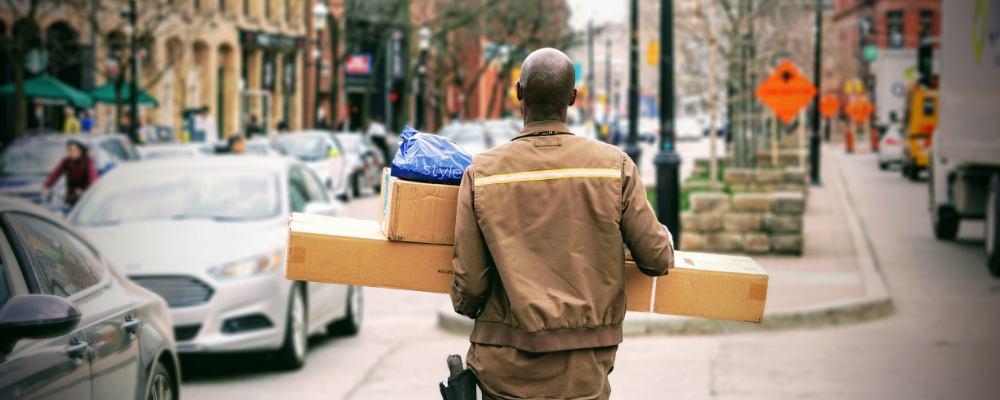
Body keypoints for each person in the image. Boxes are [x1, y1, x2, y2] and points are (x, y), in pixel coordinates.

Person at [450, 48, 674, 400]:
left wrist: (469, 307)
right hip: (583, 371)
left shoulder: (481, 174)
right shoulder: (614, 167)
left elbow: (471, 286)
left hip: (502, 369)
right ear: (572, 97)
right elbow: (656, 258)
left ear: (518, 94)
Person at [41, 139, 98, 208]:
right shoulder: (66, 161)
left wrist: (91, 191)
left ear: (80, 151)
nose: (71, 153)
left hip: (85, 195)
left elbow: (92, 177)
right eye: (69, 151)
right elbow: (56, 173)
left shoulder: (87, 161)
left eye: (74, 151)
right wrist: (47, 185)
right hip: (71, 194)